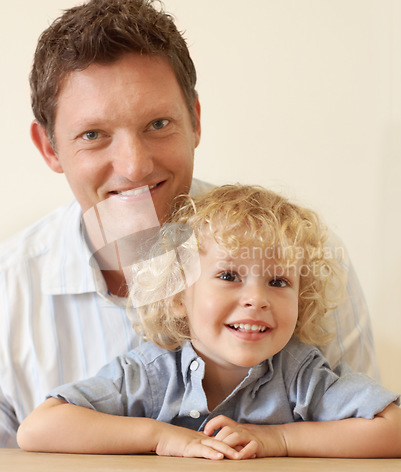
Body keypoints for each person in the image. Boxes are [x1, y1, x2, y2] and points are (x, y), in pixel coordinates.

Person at [0, 0, 379, 449]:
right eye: (93, 135)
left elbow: (363, 459)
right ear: (50, 150)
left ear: (195, 121)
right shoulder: (10, 287)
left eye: (158, 123)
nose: (135, 166)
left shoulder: (297, 252)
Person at [17, 185, 400, 458]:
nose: (256, 298)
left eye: (279, 281)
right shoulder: (150, 375)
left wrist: (279, 440)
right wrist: (160, 437)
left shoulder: (302, 375)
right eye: (229, 276)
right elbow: (38, 429)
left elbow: (394, 430)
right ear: (179, 294)